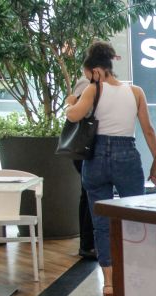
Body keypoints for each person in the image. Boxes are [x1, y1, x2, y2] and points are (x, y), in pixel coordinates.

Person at [65, 41, 156, 296]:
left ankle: (109, 282)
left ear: (94, 70)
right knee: (134, 219)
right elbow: (148, 130)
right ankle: (136, 275)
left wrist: (69, 102)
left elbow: (73, 116)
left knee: (102, 223)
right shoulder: (136, 91)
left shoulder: (93, 90)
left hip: (96, 158)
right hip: (127, 155)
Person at [70, 69, 96, 260]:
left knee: (86, 194)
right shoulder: (86, 84)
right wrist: (69, 104)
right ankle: (87, 244)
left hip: (88, 146)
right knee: (87, 194)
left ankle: (88, 243)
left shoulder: (94, 84)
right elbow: (76, 114)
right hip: (86, 147)